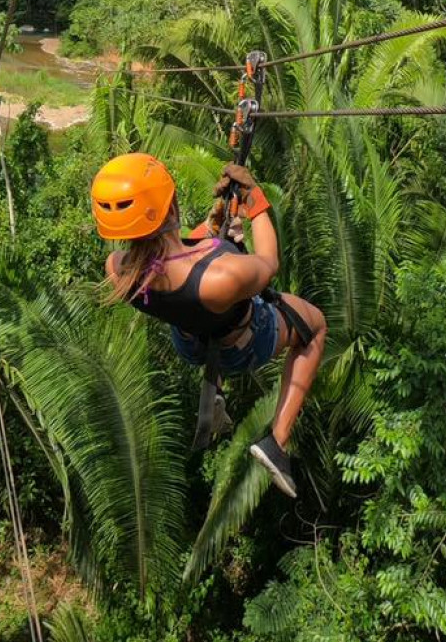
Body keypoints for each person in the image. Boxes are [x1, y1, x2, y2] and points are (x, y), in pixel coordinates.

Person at [91, 152, 326, 498]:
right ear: (171, 209)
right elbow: (267, 262)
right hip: (242, 344)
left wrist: (212, 229)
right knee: (316, 327)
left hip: (191, 342)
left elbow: (172, 258)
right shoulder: (221, 278)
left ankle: (214, 391)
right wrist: (253, 199)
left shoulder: (118, 270)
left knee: (206, 288)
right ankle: (277, 442)